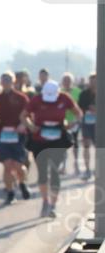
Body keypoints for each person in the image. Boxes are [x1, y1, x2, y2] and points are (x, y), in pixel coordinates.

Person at [23, 80, 82, 218]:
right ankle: (45, 201)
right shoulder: (36, 100)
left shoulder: (64, 98)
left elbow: (78, 113)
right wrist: (31, 127)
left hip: (58, 138)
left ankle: (53, 205)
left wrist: (71, 124)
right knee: (42, 172)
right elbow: (23, 115)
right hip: (39, 140)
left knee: (54, 170)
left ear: (57, 93)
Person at [0, 71, 32, 204]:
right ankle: (10, 192)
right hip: (3, 136)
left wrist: (23, 124)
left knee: (18, 165)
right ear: (1, 82)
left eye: (8, 79)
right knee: (7, 165)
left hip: (18, 136)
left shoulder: (22, 98)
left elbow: (28, 115)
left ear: (13, 81)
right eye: (4, 80)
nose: (6, 82)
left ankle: (22, 183)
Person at [60, 73, 83, 176]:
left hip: (75, 121)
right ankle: (63, 166)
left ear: (72, 82)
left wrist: (76, 121)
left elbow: (81, 108)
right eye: (65, 80)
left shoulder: (78, 92)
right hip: (63, 122)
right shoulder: (59, 93)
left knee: (75, 143)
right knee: (63, 145)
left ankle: (76, 164)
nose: (66, 82)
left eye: (68, 80)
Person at [78, 73, 97, 180]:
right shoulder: (84, 94)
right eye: (91, 81)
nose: (93, 83)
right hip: (87, 123)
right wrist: (88, 109)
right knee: (86, 146)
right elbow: (79, 107)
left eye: (95, 81)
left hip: (99, 125)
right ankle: (87, 169)